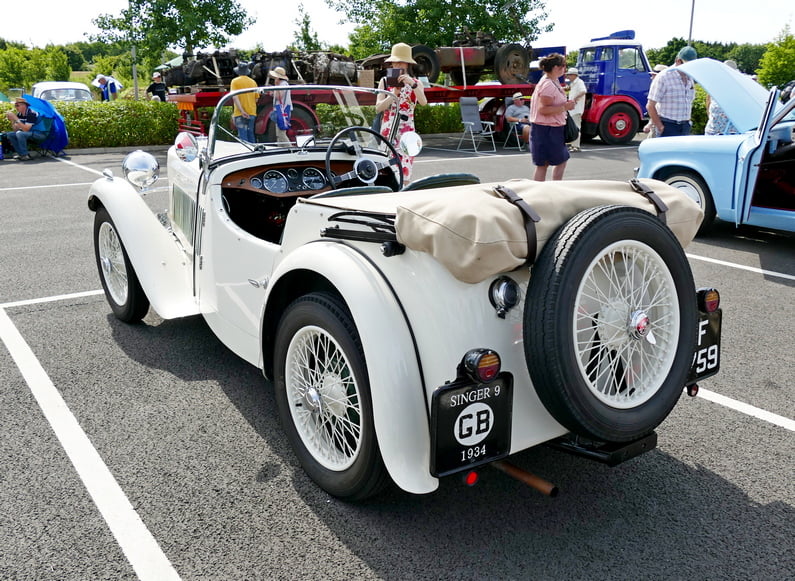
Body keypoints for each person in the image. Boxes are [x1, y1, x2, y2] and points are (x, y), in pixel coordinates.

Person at [375, 42, 427, 184]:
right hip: (388, 131)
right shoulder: (385, 81)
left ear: (407, 63)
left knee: (405, 171)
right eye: (394, 62)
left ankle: (404, 197)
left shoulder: (416, 82)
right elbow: (378, 107)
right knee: (387, 169)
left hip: (407, 132)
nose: (397, 66)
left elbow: (423, 102)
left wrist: (413, 84)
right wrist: (393, 95)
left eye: (401, 62)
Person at [528, 53, 575, 181]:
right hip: (546, 129)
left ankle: (549, 189)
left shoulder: (551, 81)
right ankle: (548, 189)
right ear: (556, 67)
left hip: (549, 129)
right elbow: (543, 109)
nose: (565, 68)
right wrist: (565, 107)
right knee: (546, 164)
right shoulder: (548, 84)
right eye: (564, 66)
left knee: (552, 162)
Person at [646, 46, 697, 138]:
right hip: (668, 124)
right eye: (687, 65)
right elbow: (650, 105)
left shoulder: (690, 78)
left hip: (685, 126)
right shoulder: (663, 77)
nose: (689, 68)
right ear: (678, 61)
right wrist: (660, 127)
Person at [705, 60, 739, 136]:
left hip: (731, 132)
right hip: (712, 131)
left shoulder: (738, 89)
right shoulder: (713, 86)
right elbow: (708, 104)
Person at [230, 62, 257, 142]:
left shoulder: (234, 81)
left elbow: (235, 97)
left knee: (243, 136)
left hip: (240, 113)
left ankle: (245, 152)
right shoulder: (253, 82)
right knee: (251, 134)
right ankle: (254, 153)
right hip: (252, 112)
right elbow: (256, 98)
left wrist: (242, 111)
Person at [564, 67, 586, 152]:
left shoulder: (579, 82)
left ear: (574, 75)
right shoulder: (573, 83)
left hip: (577, 109)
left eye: (569, 75)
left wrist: (575, 99)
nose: (568, 76)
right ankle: (573, 145)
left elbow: (583, 91)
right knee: (573, 127)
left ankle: (576, 146)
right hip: (572, 109)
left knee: (576, 127)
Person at [268, 66, 292, 144]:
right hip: (282, 110)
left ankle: (290, 149)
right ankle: (282, 149)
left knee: (281, 134)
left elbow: (279, 96)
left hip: (282, 110)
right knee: (279, 134)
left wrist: (276, 86)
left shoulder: (282, 84)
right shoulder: (284, 84)